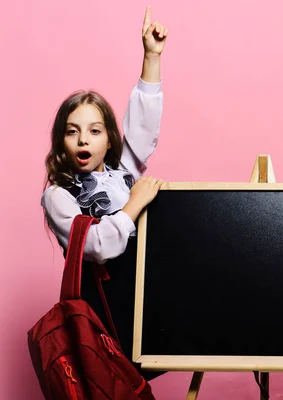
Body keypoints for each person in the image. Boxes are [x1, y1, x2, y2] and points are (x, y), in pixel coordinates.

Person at [41, 5, 168, 379]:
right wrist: (133, 206)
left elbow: (143, 125)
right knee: (114, 384)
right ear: (61, 141)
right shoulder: (58, 194)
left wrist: (151, 56)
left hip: (145, 301)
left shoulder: (121, 172)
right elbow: (95, 246)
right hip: (108, 315)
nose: (83, 139)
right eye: (72, 131)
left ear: (109, 137)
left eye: (95, 131)